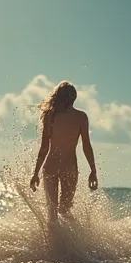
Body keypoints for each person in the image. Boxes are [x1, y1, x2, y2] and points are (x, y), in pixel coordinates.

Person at [29, 81, 98, 223]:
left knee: (52, 213)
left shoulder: (50, 116)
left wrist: (36, 173)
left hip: (50, 167)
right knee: (65, 211)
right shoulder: (81, 117)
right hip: (69, 168)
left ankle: (54, 243)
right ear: (74, 98)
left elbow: (44, 148)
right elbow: (86, 145)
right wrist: (93, 170)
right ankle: (71, 243)